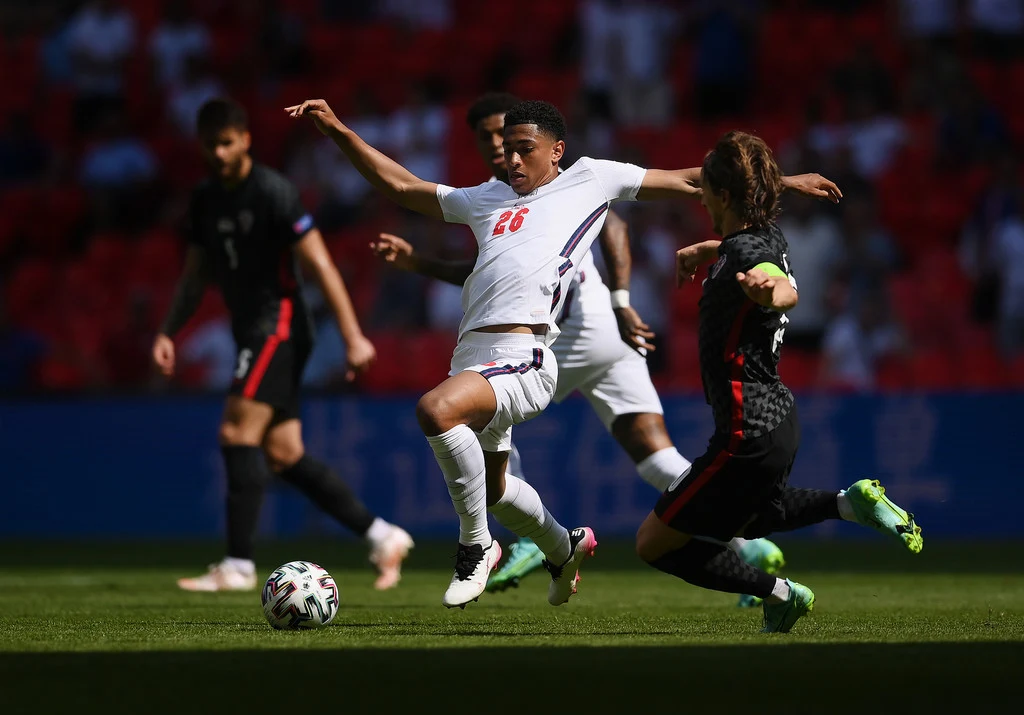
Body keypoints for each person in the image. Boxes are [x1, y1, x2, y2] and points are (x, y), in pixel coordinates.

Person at [287, 96, 841, 609]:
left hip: (526, 353)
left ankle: (476, 546)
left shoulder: (590, 178)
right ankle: (563, 545)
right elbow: (403, 187)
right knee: (498, 488)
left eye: (524, 148)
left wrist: (782, 182)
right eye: (505, 148)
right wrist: (339, 131)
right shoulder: (486, 198)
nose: (510, 158)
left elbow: (697, 179)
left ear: (556, 150)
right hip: (472, 355)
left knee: (436, 410)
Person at [635, 131, 923, 633]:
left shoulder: (751, 255)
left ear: (723, 196)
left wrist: (774, 291)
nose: (698, 193)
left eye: (706, 188)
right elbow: (745, 243)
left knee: (655, 544)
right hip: (773, 422)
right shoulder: (763, 233)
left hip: (745, 434)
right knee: (750, 518)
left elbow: (779, 284)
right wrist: (708, 249)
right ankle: (849, 503)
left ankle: (781, 593)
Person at [153, 98, 413, 593]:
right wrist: (169, 329)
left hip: (279, 325)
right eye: (211, 145)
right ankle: (383, 536)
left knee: (236, 432)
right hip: (250, 328)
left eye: (228, 143)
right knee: (283, 454)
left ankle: (238, 565)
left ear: (245, 139)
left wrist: (353, 334)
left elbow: (319, 265)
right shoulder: (205, 200)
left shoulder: (273, 192)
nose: (220, 153)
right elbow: (193, 279)